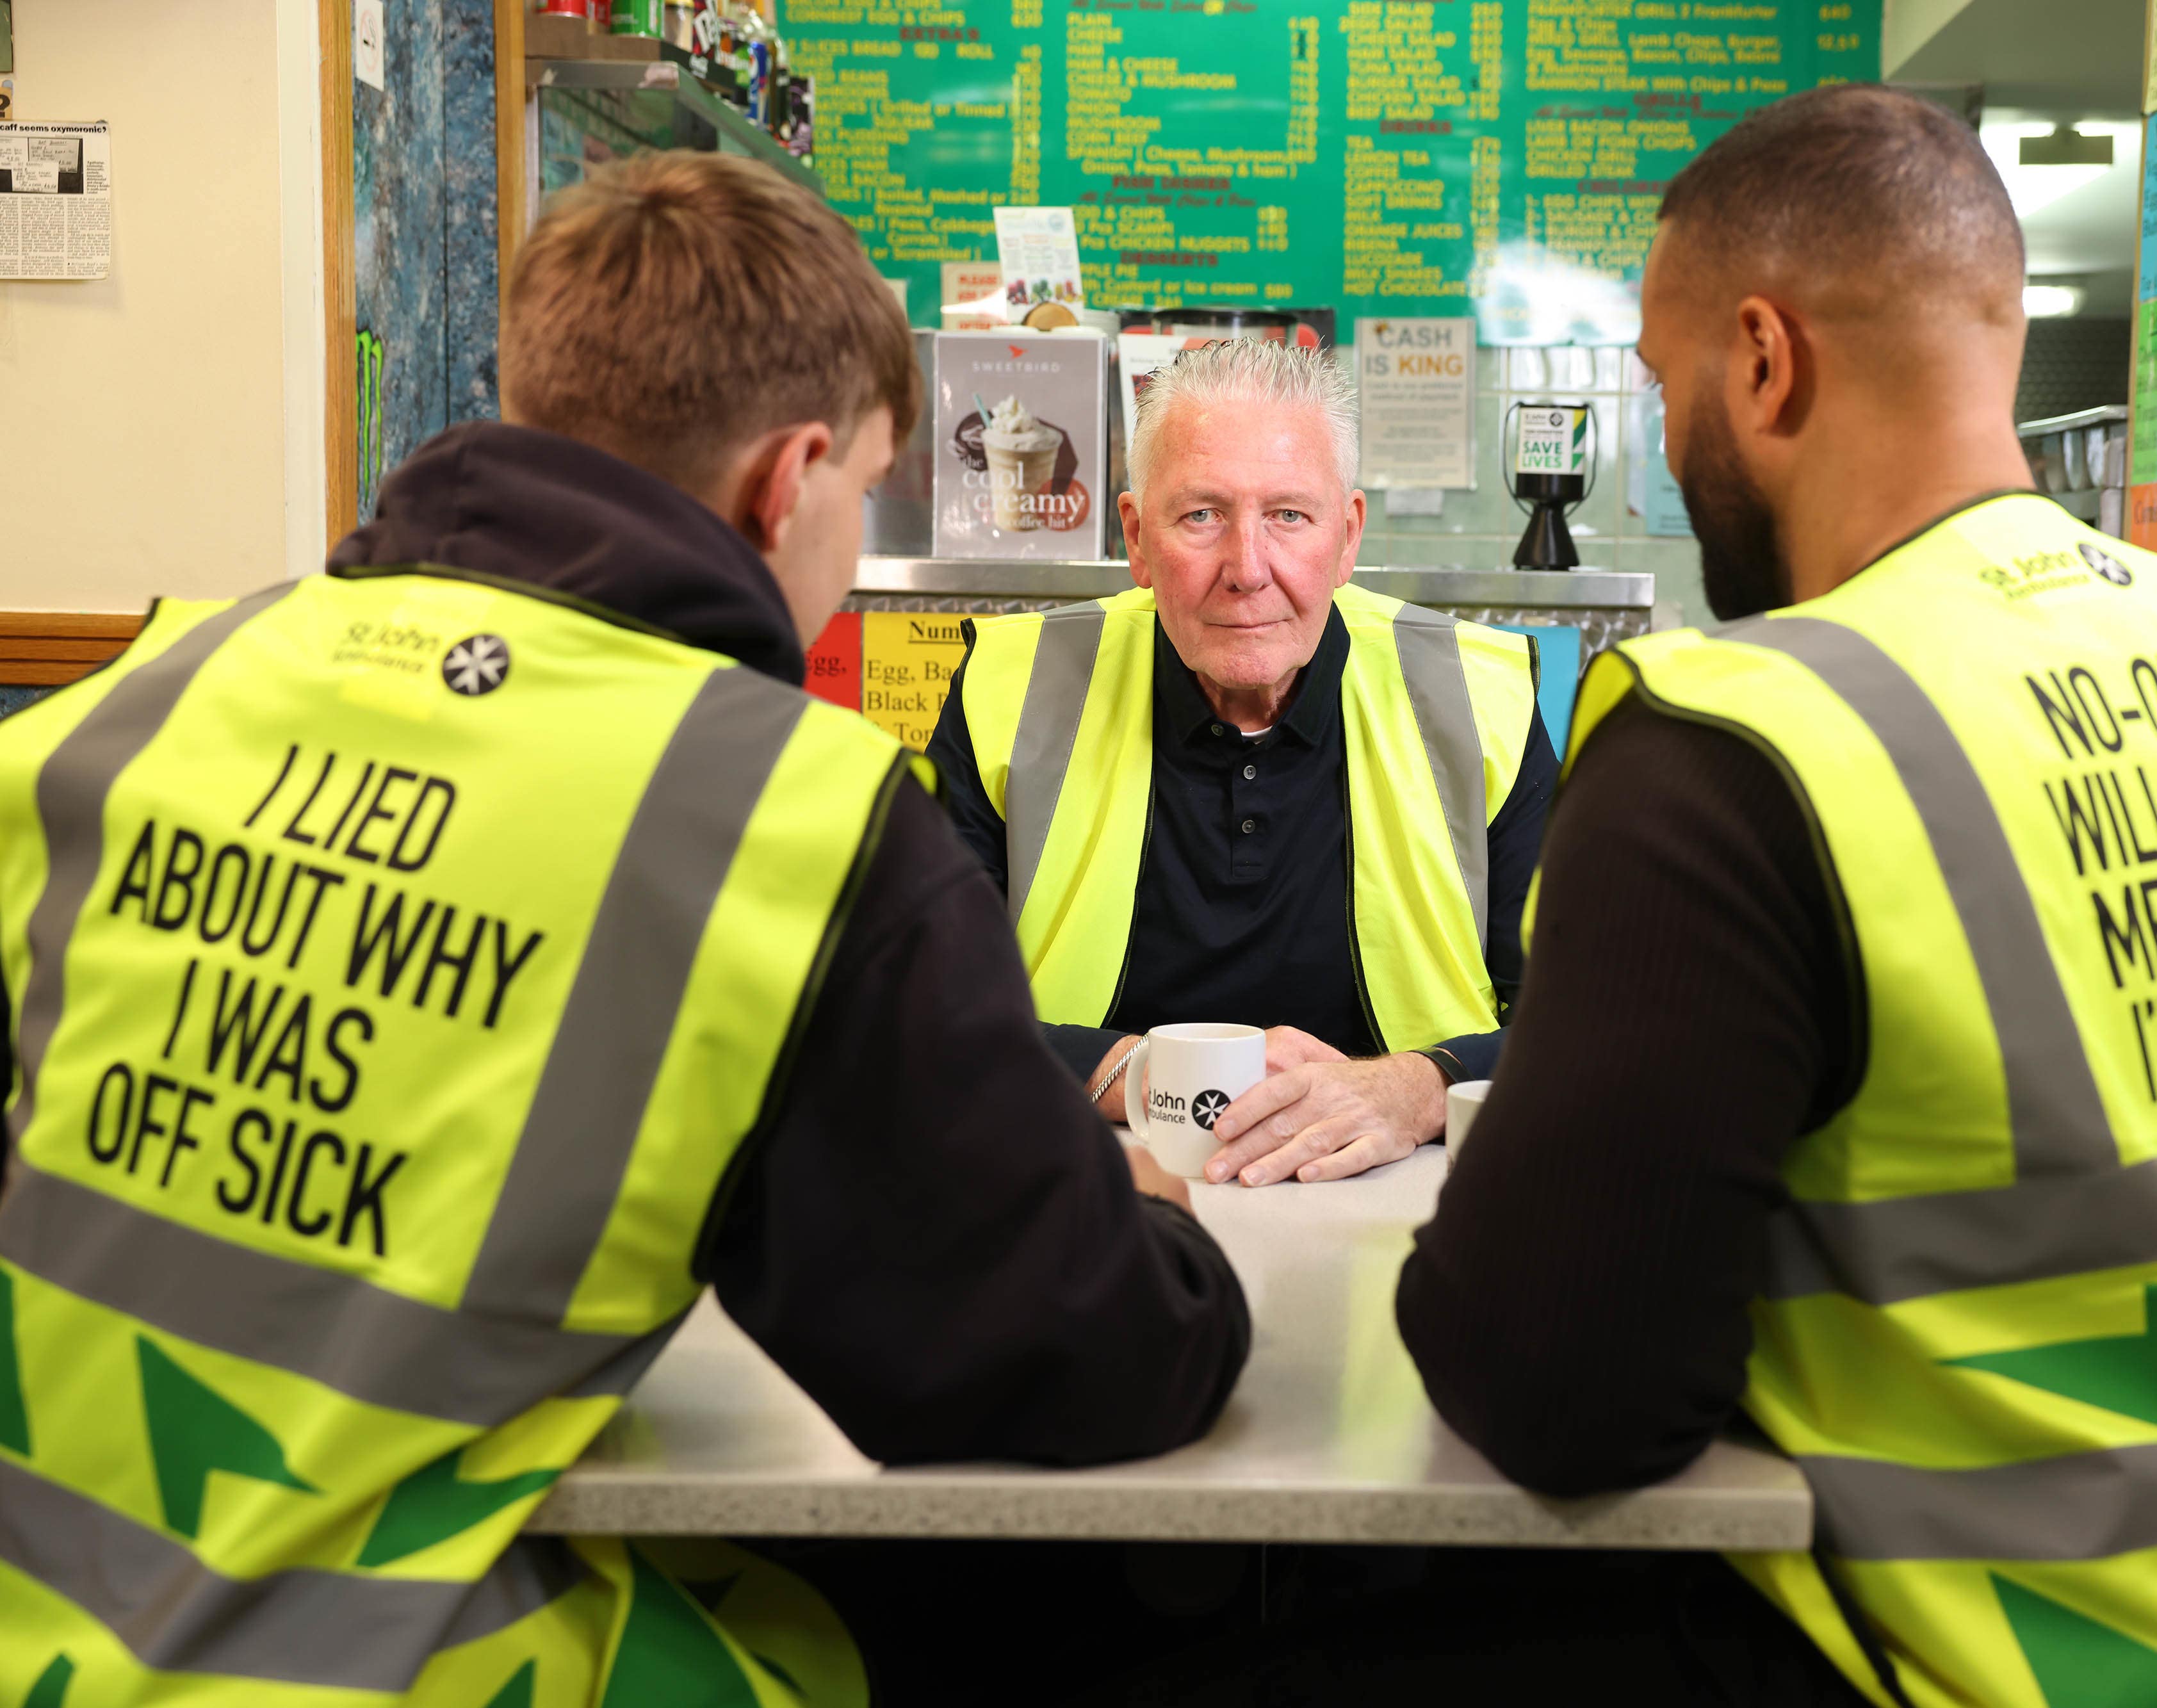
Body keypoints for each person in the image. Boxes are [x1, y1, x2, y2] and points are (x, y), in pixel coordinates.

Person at [0, 151, 1246, 1705]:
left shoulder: (138, 700)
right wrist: (1159, 1216)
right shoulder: (779, 816)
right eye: (862, 486)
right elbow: (1079, 1356)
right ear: (786, 481)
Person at [1397, 86, 2157, 1707]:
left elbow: (1565, 1399)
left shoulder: (1729, 740)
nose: (1672, 441)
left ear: (1762, 363)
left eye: (1663, 385)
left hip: (2003, 1656)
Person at [924, 340, 1557, 1186]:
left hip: (1407, 1203)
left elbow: (1586, 1020)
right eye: (1201, 516)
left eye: (1289, 516)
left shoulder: (1478, 698)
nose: (1247, 569)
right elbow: (915, 1003)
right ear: (1137, 538)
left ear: (1347, 538)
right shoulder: (1011, 689)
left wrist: (1418, 1087)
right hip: (1084, 1193)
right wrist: (1146, 1079)